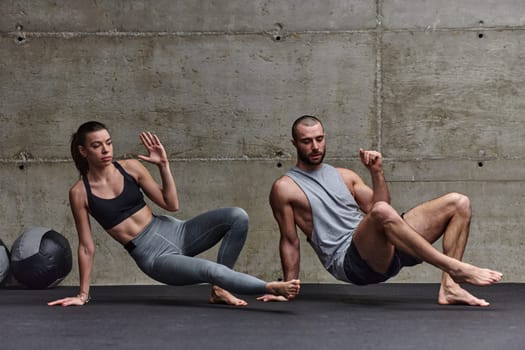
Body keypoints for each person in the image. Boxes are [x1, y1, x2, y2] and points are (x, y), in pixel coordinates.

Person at [48, 121, 299, 307]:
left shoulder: (130, 168)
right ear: (83, 152)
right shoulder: (80, 193)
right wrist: (82, 295)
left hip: (175, 230)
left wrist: (163, 166)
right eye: (97, 146)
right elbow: (86, 246)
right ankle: (269, 286)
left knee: (237, 216)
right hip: (154, 255)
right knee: (208, 269)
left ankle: (220, 290)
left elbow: (171, 204)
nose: (105, 150)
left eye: (108, 143)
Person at [258, 115, 502, 306]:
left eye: (319, 139)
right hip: (351, 262)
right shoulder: (285, 188)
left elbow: (382, 206)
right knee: (381, 212)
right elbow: (290, 240)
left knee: (459, 202)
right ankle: (455, 268)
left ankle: (450, 287)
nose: (315, 146)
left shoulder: (345, 176)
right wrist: (287, 287)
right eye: (306, 141)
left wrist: (376, 172)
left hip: (385, 249)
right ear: (294, 144)